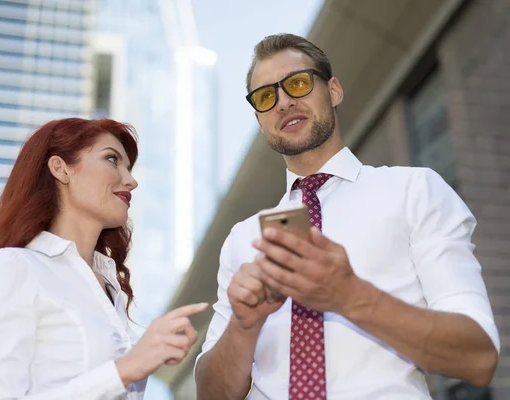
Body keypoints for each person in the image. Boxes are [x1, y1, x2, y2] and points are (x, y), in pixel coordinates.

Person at [195, 34, 499, 400]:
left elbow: (478, 358)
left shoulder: (414, 191)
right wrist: (244, 326)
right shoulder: (243, 240)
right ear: (259, 119)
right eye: (265, 96)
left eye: (298, 83)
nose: (283, 102)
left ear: (334, 90)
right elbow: (210, 395)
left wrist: (348, 296)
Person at [0, 118, 207, 400]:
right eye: (112, 159)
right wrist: (124, 370)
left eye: (129, 168)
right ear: (61, 169)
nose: (131, 181)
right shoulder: (13, 267)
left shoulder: (110, 287)